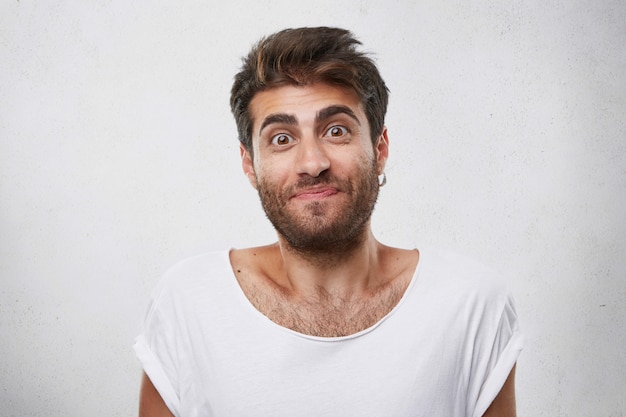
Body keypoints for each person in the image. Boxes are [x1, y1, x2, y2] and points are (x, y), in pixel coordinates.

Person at [134, 27, 523, 417]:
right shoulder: (189, 301)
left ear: (379, 148)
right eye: (282, 138)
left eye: (336, 131)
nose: (312, 163)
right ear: (249, 164)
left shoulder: (469, 302)